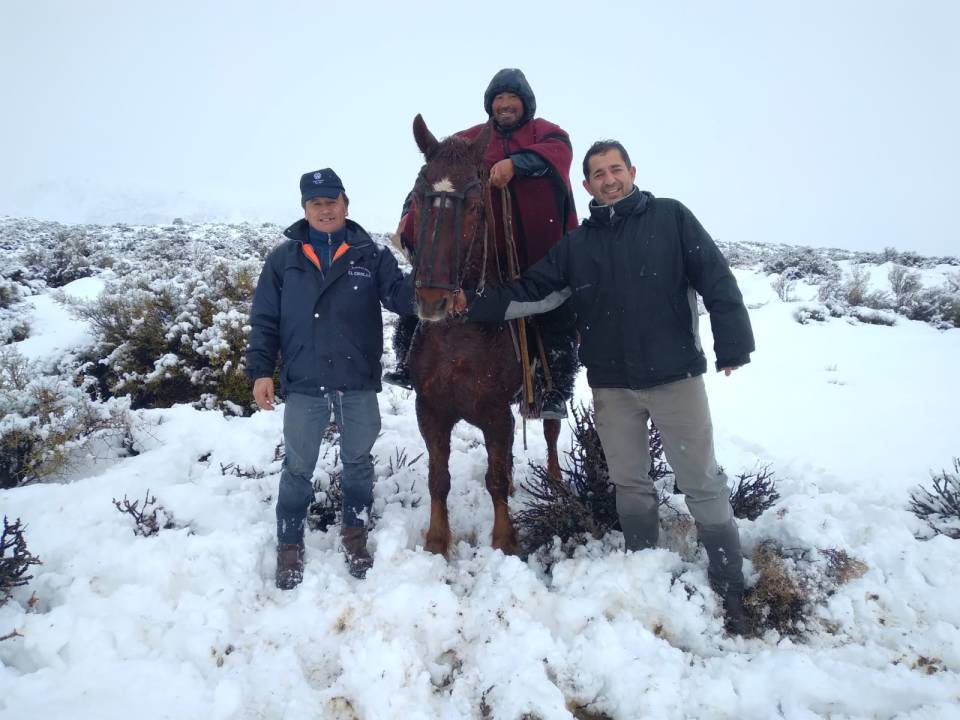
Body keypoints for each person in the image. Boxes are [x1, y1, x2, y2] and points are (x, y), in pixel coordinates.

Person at [454, 141, 755, 634]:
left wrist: (733, 342)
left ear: (632, 171)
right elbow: (535, 291)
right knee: (629, 483)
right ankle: (643, 565)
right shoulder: (579, 244)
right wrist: (474, 303)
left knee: (700, 479)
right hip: (612, 386)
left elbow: (715, 277)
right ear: (586, 184)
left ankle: (729, 581)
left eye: (616, 169)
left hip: (675, 378)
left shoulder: (671, 218)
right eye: (599, 173)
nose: (609, 179)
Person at [246, 168, 415, 589]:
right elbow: (264, 321)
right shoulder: (283, 259)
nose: (325, 209)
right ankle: (289, 545)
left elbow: (402, 298)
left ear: (346, 203)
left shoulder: (370, 255)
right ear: (305, 208)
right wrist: (261, 372)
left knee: (358, 462)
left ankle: (355, 535)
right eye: (316, 203)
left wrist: (430, 267)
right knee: (298, 466)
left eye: (332, 201)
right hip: (304, 380)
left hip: (356, 379)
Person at [384, 68, 579, 420]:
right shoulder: (469, 139)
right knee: (429, 287)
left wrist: (515, 164)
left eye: (512, 98)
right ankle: (407, 362)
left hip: (539, 253)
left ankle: (556, 387)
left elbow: (557, 155)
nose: (505, 105)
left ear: (526, 103)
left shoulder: (548, 134)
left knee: (555, 310)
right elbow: (433, 177)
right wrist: (408, 217)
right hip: (486, 253)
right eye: (498, 99)